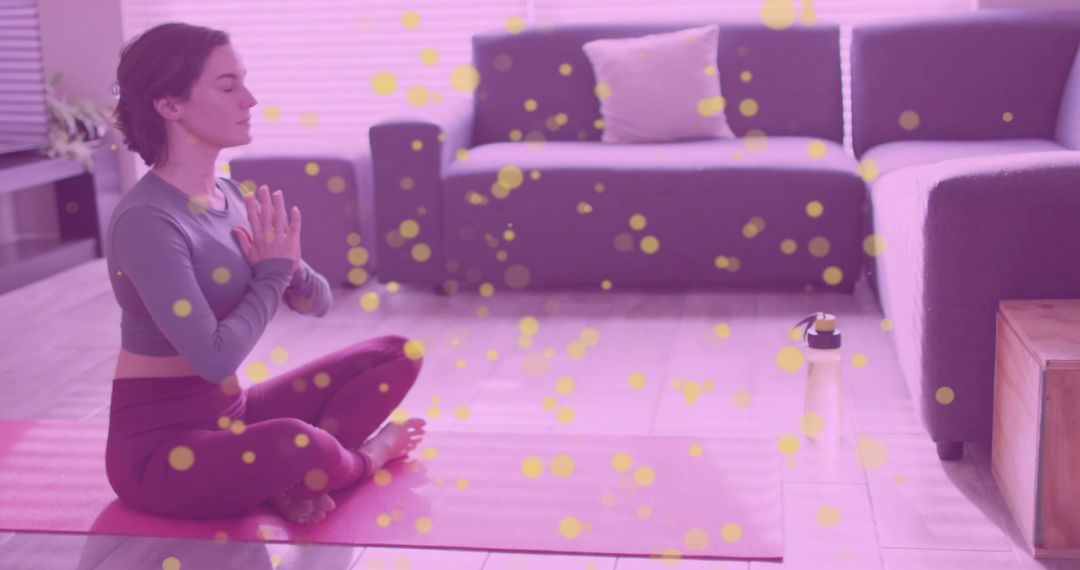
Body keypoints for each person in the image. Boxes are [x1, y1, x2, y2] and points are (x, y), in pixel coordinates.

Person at [104, 22, 426, 525]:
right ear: (169, 105)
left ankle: (286, 476)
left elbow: (317, 302)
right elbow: (212, 359)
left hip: (232, 418)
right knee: (292, 442)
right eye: (228, 87)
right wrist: (271, 278)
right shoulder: (148, 220)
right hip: (161, 455)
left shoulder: (231, 196)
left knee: (394, 354)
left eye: (244, 83)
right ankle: (363, 459)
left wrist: (289, 267)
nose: (249, 100)